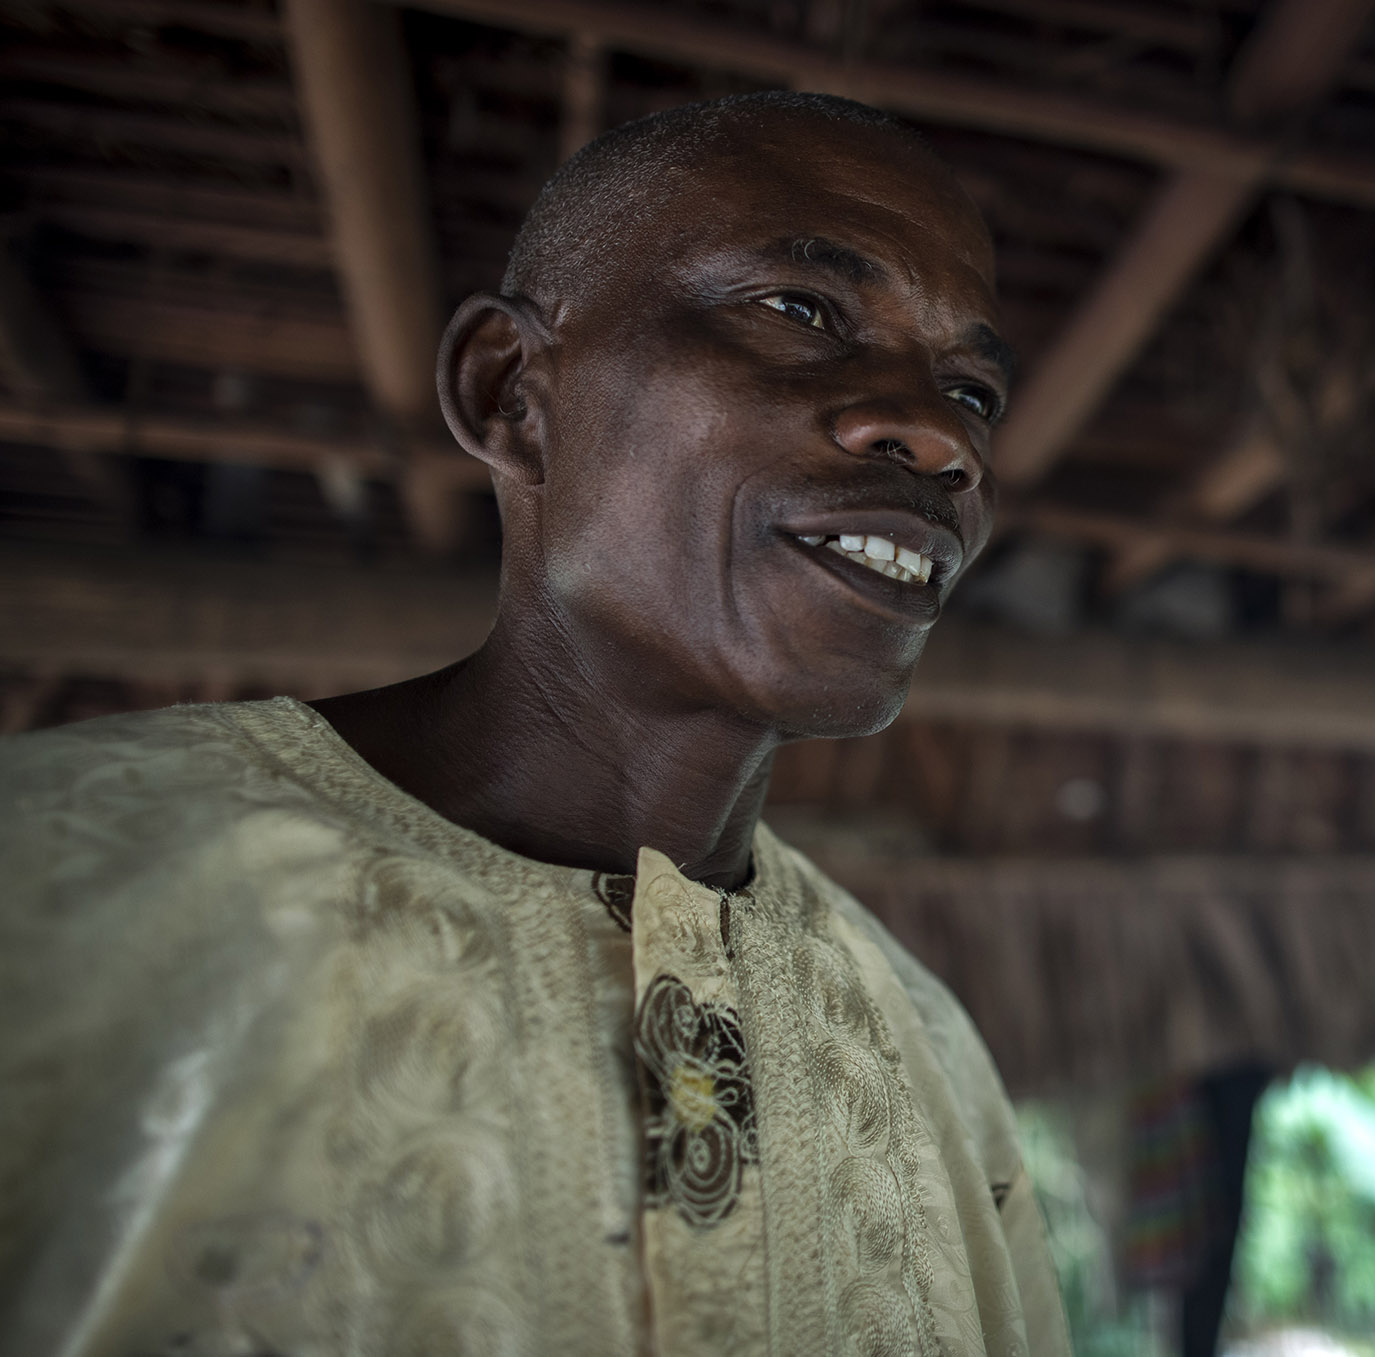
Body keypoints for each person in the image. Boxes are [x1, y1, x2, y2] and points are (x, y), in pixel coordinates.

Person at [0, 92, 1070, 1357]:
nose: (944, 437)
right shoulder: (50, 878)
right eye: (802, 311)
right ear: (511, 392)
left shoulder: (922, 1045)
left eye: (974, 393)